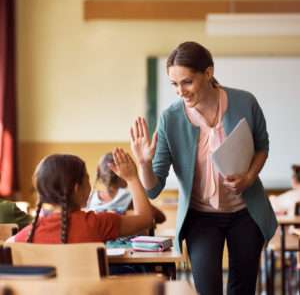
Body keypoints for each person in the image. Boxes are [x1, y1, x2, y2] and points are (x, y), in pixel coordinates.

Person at [130, 41, 277, 295]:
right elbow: (154, 189)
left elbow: (262, 147)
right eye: (174, 84)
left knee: (242, 289)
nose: (180, 91)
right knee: (207, 289)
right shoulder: (170, 118)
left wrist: (249, 177)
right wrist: (143, 164)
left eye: (187, 82)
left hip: (246, 212)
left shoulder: (245, 102)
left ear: (208, 73)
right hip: (201, 217)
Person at [9, 148, 153, 243]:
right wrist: (132, 178)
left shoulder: (24, 238)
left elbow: (9, 245)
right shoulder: (98, 223)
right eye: (87, 179)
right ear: (77, 189)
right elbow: (146, 219)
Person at [86, 152, 166, 225]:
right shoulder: (129, 197)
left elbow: (159, 217)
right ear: (120, 174)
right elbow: (159, 217)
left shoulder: (90, 198)